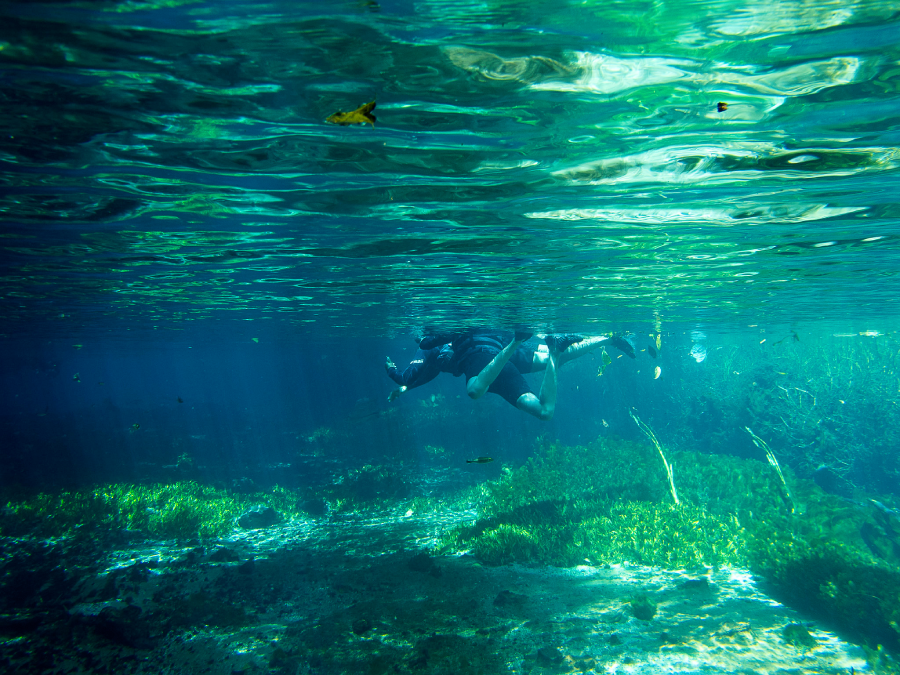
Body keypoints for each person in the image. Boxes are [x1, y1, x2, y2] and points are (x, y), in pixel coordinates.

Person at [385, 330, 634, 421]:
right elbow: (420, 376)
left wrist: (394, 373)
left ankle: (517, 341)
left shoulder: (434, 343)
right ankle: (608, 338)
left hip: (483, 359)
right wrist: (405, 387)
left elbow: (414, 371)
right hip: (502, 358)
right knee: (545, 409)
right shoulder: (438, 342)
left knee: (473, 390)